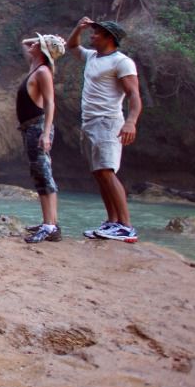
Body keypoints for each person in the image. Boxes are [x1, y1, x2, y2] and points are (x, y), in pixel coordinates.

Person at [66, 17, 142, 242]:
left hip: (108, 122)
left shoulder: (122, 62)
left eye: (96, 32)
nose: (92, 35)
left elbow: (134, 95)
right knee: (99, 173)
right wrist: (78, 28)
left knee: (107, 171)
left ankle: (126, 226)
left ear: (110, 38)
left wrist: (131, 121)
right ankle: (112, 223)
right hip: (89, 122)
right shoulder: (92, 56)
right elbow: (71, 46)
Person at [18, 33, 66, 243]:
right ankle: (50, 224)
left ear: (43, 50)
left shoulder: (43, 71)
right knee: (40, 174)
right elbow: (24, 43)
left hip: (38, 127)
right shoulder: (36, 66)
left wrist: (46, 134)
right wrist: (47, 41)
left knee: (44, 174)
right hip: (30, 128)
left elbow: (50, 103)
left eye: (39, 42)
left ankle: (49, 226)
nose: (33, 43)